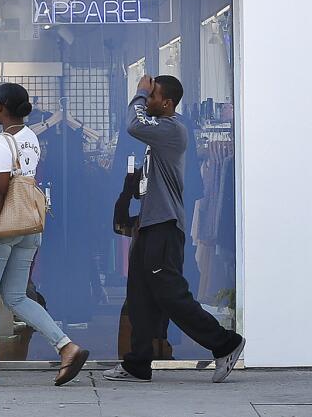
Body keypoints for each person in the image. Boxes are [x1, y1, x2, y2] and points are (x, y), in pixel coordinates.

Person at [104, 75, 246, 384]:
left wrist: (138, 93)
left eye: (152, 96)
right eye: (147, 95)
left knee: (171, 294)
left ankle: (225, 343)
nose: (147, 99)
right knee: (139, 295)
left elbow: (134, 125)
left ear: (166, 103)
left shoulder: (172, 129)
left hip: (164, 226)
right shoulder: (164, 131)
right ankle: (137, 363)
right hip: (150, 224)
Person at [0, 82, 89, 388]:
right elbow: (15, 189)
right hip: (27, 227)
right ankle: (66, 346)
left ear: (1, 107)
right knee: (16, 296)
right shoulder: (30, 139)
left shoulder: (2, 144)